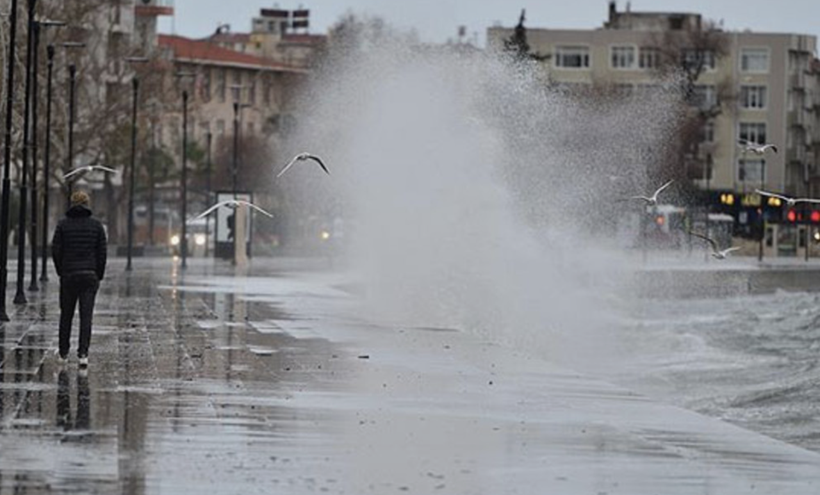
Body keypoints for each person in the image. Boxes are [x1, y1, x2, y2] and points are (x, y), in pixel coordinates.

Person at [52, 190, 107, 367]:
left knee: (66, 315)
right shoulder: (97, 226)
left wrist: (61, 270)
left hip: (69, 275)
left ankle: (63, 352)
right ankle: (83, 353)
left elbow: (55, 250)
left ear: (72, 203)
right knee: (86, 316)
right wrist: (98, 274)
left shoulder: (62, 225)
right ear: (87, 203)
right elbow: (102, 252)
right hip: (89, 275)